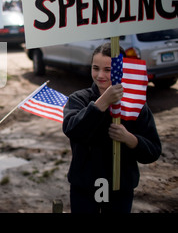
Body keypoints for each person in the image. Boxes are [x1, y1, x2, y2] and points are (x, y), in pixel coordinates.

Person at [62, 42, 161, 213]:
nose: (100, 75)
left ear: (120, 70)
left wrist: (130, 139)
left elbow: (153, 151)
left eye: (108, 70)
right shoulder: (78, 99)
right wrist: (101, 104)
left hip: (119, 188)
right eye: (95, 68)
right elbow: (72, 130)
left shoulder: (135, 104)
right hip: (84, 187)